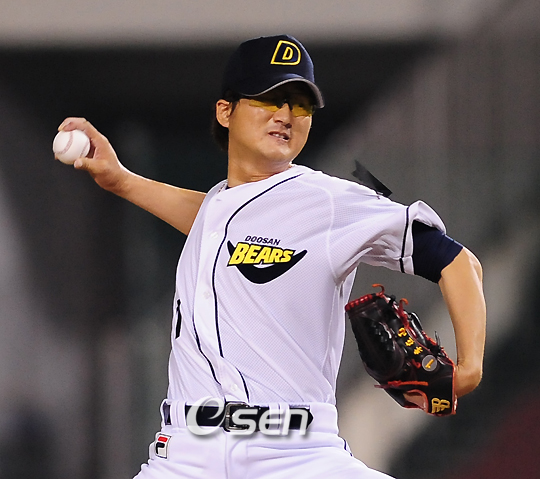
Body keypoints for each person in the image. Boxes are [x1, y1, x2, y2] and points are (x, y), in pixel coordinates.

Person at [57, 35, 486, 479]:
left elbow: (457, 262)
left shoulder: (328, 202)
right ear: (225, 111)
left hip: (298, 456)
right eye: (268, 98)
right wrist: (122, 181)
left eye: (300, 105)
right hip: (184, 457)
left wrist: (469, 368)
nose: (285, 114)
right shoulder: (217, 212)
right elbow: (217, 219)